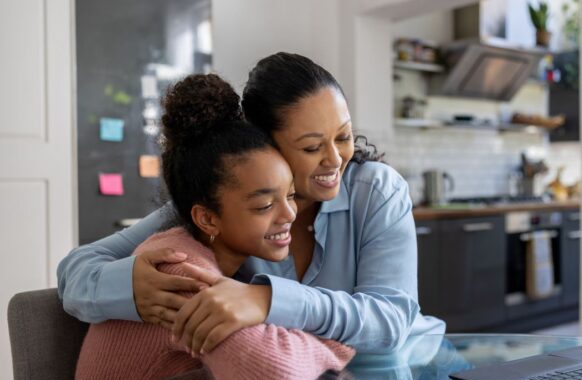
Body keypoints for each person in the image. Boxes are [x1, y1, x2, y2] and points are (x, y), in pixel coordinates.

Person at [58, 52, 444, 355]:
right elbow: (75, 269)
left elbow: (390, 321)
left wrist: (265, 299)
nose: (335, 159)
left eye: (343, 136)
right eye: (311, 147)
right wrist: (131, 288)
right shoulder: (223, 206)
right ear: (267, 146)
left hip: (411, 375)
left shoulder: (375, 191)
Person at [73, 74, 354, 380]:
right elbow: (273, 375)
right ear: (206, 219)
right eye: (264, 205)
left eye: (291, 196)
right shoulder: (179, 272)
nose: (289, 214)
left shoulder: (213, 260)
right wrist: (337, 344)